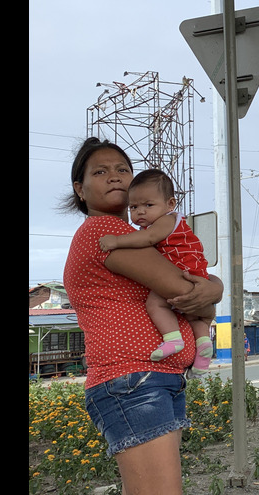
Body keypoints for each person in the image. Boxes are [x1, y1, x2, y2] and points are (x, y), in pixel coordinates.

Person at [62, 138, 223, 495]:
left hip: (151, 379)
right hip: (133, 380)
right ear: (80, 189)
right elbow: (186, 292)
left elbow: (195, 295)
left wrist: (212, 288)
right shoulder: (103, 231)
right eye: (100, 172)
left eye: (122, 170)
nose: (115, 177)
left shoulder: (136, 238)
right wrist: (214, 289)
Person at [98, 168, 214, 376]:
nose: (140, 212)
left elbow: (148, 239)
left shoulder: (166, 220)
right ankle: (204, 347)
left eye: (148, 205)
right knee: (194, 317)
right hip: (195, 271)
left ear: (170, 204)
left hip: (180, 268)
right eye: (133, 207)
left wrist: (116, 241)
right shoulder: (172, 221)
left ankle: (172, 338)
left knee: (155, 303)